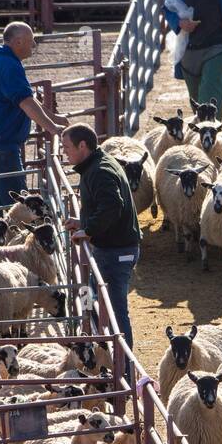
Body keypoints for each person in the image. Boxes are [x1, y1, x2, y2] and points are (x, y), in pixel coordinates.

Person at [0, 22, 67, 216]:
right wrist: (53, 127)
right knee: (21, 204)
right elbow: (26, 102)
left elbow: (25, 99)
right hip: (0, 144)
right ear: (19, 41)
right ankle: (24, 243)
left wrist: (53, 117)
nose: (34, 45)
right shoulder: (9, 66)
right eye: (31, 41)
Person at [61, 123, 141, 350]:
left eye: (67, 147)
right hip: (110, 249)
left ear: (82, 145)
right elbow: (104, 207)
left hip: (117, 252)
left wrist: (88, 229)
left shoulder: (100, 171)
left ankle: (124, 364)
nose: (64, 152)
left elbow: (113, 206)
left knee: (116, 310)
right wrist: (83, 223)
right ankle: (93, 334)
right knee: (89, 291)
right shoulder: (96, 165)